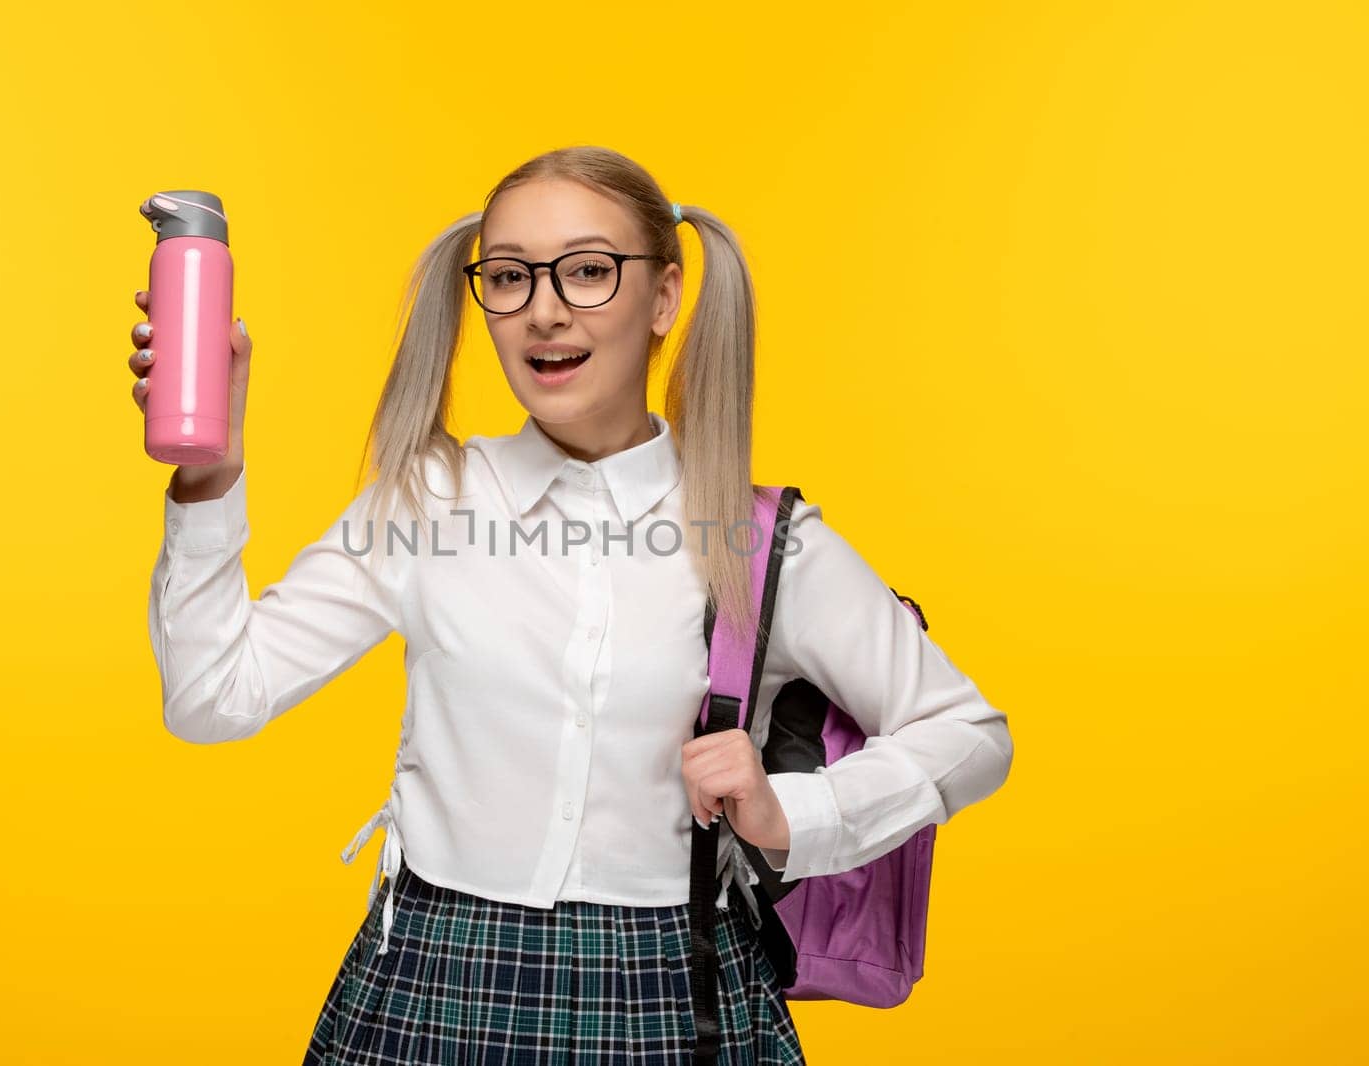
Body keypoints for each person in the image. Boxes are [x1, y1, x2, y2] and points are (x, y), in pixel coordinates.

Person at [129, 145, 1014, 1064]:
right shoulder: (427, 501)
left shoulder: (757, 539)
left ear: (665, 297)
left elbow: (970, 732)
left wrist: (796, 815)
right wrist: (208, 475)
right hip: (434, 991)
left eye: (589, 271)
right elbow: (211, 700)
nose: (545, 311)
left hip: (676, 996)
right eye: (509, 278)